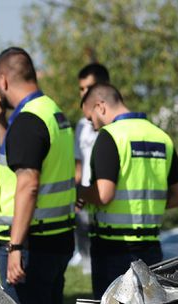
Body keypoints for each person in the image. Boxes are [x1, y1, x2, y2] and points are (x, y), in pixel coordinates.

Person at [0, 46, 75, 304]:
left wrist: (15, 246)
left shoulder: (28, 121)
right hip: (55, 238)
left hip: (32, 244)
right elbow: (19, 162)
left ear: (2, 80)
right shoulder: (51, 112)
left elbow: (28, 185)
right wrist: (0, 123)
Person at [78, 83, 178, 298]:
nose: (92, 126)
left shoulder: (110, 136)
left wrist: (79, 192)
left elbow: (104, 194)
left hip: (113, 248)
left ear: (101, 106)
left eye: (90, 117)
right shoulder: (161, 136)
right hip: (151, 248)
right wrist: (149, 204)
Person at [74, 63, 109, 275]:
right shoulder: (82, 125)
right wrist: (78, 192)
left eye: (90, 87)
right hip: (86, 194)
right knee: (86, 241)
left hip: (107, 193)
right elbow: (78, 164)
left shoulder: (114, 122)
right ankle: (89, 270)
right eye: (82, 89)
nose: (85, 93)